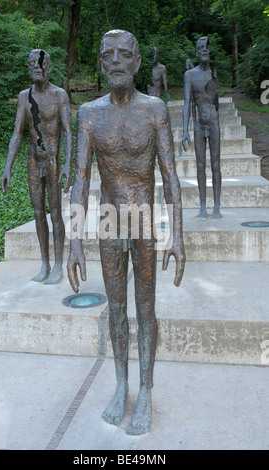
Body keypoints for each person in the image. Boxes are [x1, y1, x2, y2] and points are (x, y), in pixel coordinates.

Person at [67, 30, 185, 435]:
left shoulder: (154, 110)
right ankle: (121, 384)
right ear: (101, 63)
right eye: (107, 55)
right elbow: (80, 180)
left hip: (143, 218)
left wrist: (178, 235)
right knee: (116, 308)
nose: (116, 61)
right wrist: (73, 241)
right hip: (107, 219)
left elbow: (170, 176)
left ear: (136, 62)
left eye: (124, 55)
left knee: (146, 308)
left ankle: (146, 389)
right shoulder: (88, 113)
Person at [1, 49, 73, 284]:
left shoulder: (60, 95)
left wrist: (67, 165)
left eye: (40, 63)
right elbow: (17, 133)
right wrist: (7, 168)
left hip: (52, 162)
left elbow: (69, 132)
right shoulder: (24, 97)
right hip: (34, 162)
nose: (36, 67)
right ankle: (45, 263)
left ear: (49, 67)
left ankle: (59, 264)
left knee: (55, 215)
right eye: (32, 63)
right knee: (38, 214)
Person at [182, 36, 222, 218]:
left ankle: (217, 207)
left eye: (207, 47)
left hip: (213, 122)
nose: (204, 50)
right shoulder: (190, 75)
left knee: (215, 165)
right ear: (197, 52)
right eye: (201, 48)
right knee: (200, 166)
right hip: (199, 125)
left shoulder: (212, 75)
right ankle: (203, 206)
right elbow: (186, 103)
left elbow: (216, 103)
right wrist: (184, 130)